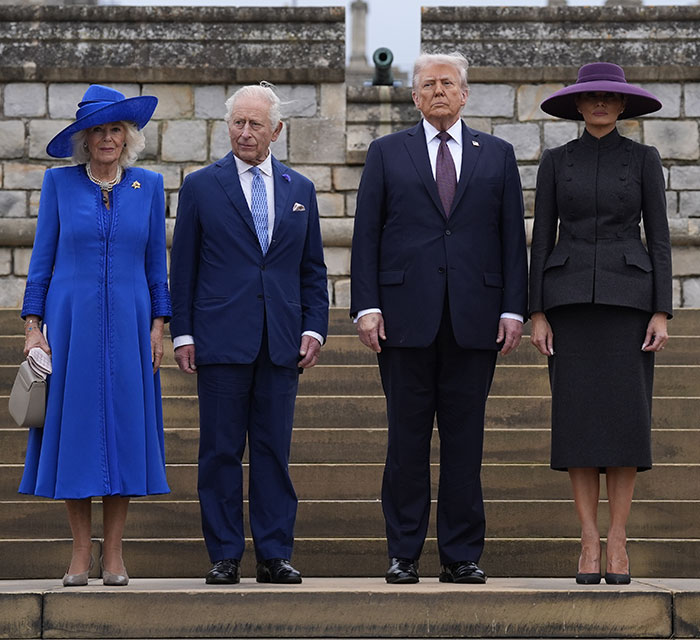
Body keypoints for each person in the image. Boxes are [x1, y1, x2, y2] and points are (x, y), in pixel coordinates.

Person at [350, 52, 528, 584]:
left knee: (464, 444)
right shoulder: (386, 152)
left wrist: (514, 307)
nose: (438, 92)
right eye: (428, 85)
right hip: (404, 321)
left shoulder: (497, 154)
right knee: (405, 444)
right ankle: (403, 553)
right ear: (414, 96)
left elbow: (511, 238)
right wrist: (367, 305)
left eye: (448, 83)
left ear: (466, 93)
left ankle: (460, 554)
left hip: (475, 320)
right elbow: (367, 236)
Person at [170, 83, 328, 585]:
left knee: (273, 453)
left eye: (254, 124)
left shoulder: (300, 189)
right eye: (237, 122)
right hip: (220, 338)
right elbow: (185, 267)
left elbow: (312, 268)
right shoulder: (200, 185)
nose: (244, 132)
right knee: (219, 451)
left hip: (281, 339)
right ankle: (224, 554)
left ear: (275, 131)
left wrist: (314, 328)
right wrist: (182, 333)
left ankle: (275, 553)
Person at [20, 85, 171, 587]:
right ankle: (80, 553)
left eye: (115, 130)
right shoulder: (58, 185)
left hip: (131, 322)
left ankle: (115, 556)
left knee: (124, 432)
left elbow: (156, 265)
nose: (107, 139)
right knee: (77, 432)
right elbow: (41, 261)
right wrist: (32, 328)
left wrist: (158, 325)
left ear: (127, 137)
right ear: (84, 139)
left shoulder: (148, 186)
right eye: (98, 131)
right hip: (71, 323)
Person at [530, 62, 672, 585]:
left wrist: (661, 308)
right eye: (590, 98)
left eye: (609, 98)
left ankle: (618, 538)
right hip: (567, 305)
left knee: (624, 422)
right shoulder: (556, 161)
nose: (600, 105)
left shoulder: (642, 159)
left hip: (629, 306)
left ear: (623, 105)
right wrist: (537, 311)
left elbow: (658, 237)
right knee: (579, 424)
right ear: (577, 104)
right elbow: (541, 237)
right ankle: (587, 539)